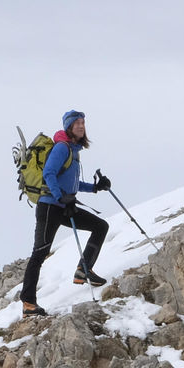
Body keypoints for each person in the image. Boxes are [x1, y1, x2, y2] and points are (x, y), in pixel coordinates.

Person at [19, 110, 112, 315]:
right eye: (76, 123)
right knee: (40, 253)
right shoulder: (62, 148)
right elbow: (48, 173)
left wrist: (96, 187)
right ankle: (28, 303)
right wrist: (60, 197)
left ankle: (83, 270)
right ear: (68, 127)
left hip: (64, 206)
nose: (81, 126)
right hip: (51, 207)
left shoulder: (74, 151)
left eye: (83, 122)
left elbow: (73, 183)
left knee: (100, 226)